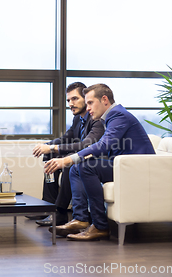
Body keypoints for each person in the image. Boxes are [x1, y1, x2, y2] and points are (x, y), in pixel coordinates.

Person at [45, 83, 155, 240]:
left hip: (136, 169)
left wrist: (68, 159)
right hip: (123, 166)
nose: (88, 108)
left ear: (104, 99)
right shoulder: (110, 117)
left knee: (85, 166)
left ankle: (100, 226)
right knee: (78, 167)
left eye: (90, 102)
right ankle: (81, 219)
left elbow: (103, 145)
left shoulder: (118, 115)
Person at [31, 82, 104, 226]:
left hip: (97, 160)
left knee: (68, 163)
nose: (71, 103)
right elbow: (66, 138)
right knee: (50, 157)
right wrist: (46, 146)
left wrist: (53, 148)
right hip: (82, 156)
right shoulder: (78, 119)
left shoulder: (97, 120)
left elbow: (86, 145)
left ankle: (60, 212)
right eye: (68, 100)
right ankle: (48, 207)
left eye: (75, 99)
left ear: (86, 98)